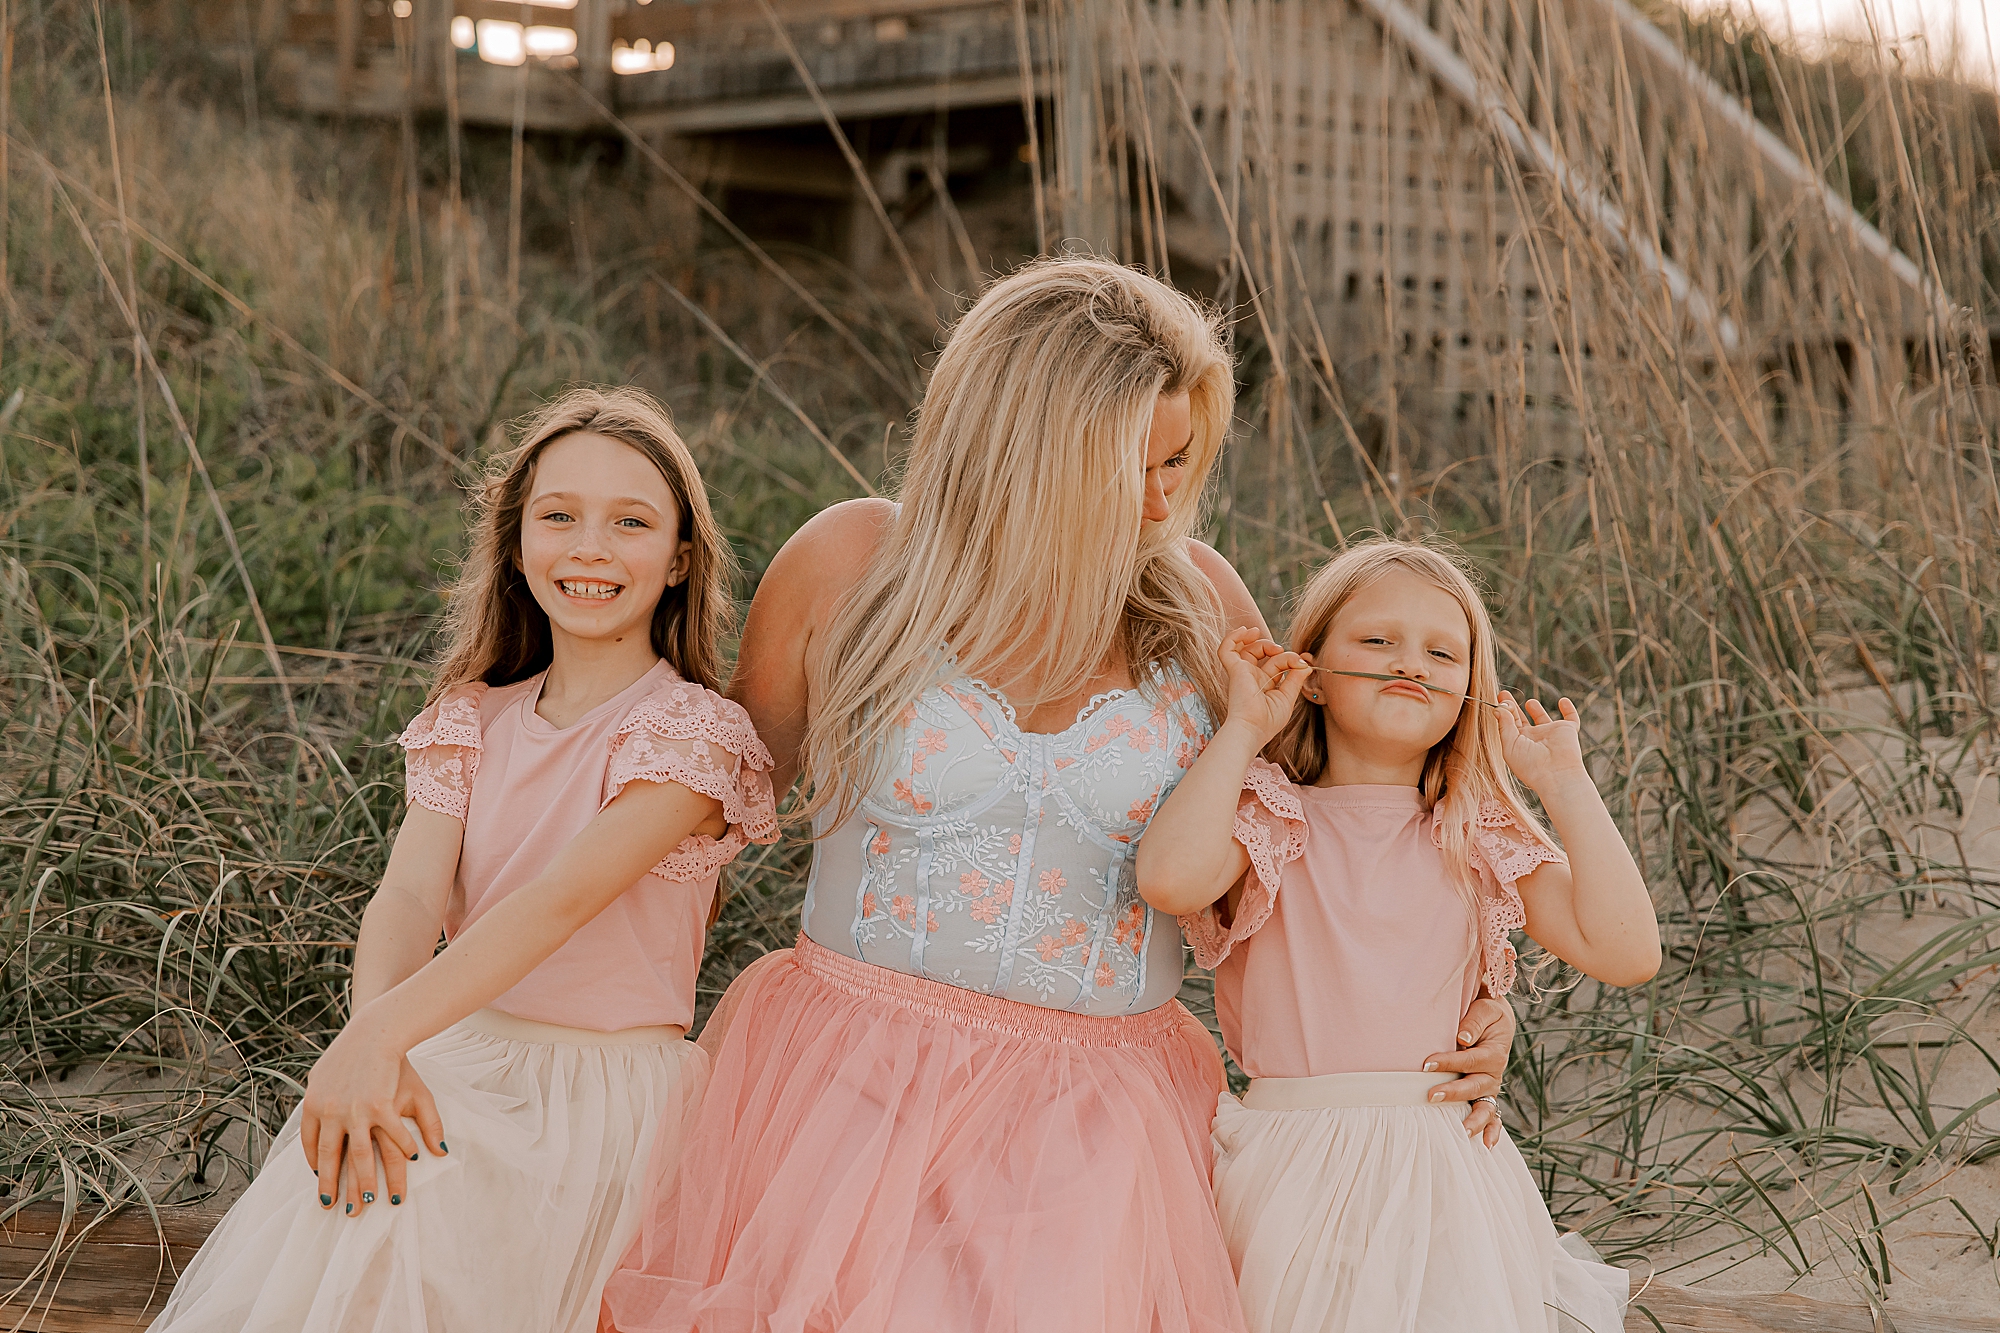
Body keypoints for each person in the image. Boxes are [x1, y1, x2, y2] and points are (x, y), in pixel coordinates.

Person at [600, 260, 1514, 1333]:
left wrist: (1478, 999)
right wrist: (599, 1042)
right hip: (842, 1083)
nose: (1167, 499)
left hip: (1097, 1116)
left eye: (1181, 461)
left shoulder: (1198, 602)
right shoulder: (850, 566)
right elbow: (694, 838)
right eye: (1137, 465)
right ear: (1029, 451)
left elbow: (1322, 841)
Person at [150, 387, 777, 1333]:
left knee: (437, 1233)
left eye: (631, 522)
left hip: (599, 1096)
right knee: (362, 1219)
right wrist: (376, 1041)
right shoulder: (471, 719)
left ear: (681, 556)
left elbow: (559, 901)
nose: (591, 546)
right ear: (517, 541)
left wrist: (378, 1037)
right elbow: (407, 894)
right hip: (457, 1049)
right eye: (558, 516)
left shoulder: (693, 736)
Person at [1136, 538, 1654, 1333]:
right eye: (1377, 641)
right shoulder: (1269, 813)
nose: (1408, 661)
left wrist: (1564, 784)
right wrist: (1242, 729)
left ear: (1467, 690)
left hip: (1441, 1168)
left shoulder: (1473, 830)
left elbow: (1625, 950)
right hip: (1289, 1163)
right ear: (1310, 670)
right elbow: (1168, 879)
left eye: (1442, 652)